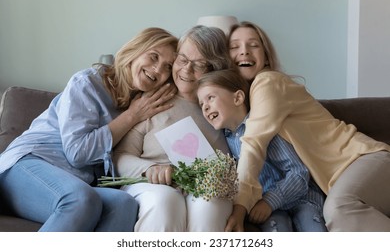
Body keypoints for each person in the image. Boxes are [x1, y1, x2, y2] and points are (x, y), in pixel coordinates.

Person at [0, 27, 178, 232]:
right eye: (153, 57)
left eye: (167, 67)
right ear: (135, 51)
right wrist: (132, 116)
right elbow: (78, 153)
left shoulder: (143, 104)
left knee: (123, 204)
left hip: (77, 182)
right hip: (26, 164)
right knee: (79, 199)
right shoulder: (87, 82)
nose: (157, 70)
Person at [224, 21, 390, 232]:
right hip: (345, 177)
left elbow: (253, 144)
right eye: (234, 46)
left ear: (266, 56)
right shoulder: (244, 105)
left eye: (253, 45)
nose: (244, 51)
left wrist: (239, 207)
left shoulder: (268, 82)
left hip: (364, 159)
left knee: (339, 209)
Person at [113, 25, 233, 232]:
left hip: (202, 186)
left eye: (200, 65)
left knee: (210, 204)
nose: (186, 70)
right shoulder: (152, 100)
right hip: (149, 184)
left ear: (213, 69)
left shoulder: (218, 107)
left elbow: (230, 166)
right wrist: (149, 170)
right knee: (165, 201)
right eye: (183, 60)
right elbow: (120, 157)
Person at [197, 68, 327, 231]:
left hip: (301, 199)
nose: (205, 107)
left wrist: (270, 201)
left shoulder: (262, 127)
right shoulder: (225, 139)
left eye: (210, 98)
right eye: (201, 104)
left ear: (237, 98)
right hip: (263, 206)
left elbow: (299, 173)